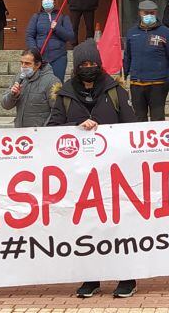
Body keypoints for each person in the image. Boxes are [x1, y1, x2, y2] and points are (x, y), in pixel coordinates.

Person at [46, 39, 136, 298]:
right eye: (83, 64)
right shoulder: (64, 94)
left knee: (118, 225)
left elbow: (131, 128)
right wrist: (76, 127)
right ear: (76, 67)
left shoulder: (115, 92)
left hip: (113, 173)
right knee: (86, 227)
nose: (88, 67)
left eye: (92, 63)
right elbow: (51, 130)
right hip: (80, 176)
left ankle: (126, 277)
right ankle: (91, 278)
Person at [123, 0, 169, 122]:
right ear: (140, 13)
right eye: (145, 12)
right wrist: (123, 74)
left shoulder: (166, 32)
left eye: (152, 13)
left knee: (158, 118)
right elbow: (127, 56)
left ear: (156, 13)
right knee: (138, 118)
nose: (149, 15)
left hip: (158, 84)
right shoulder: (132, 33)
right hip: (136, 84)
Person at [1, 48, 60, 128]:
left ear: (38, 65)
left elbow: (57, 111)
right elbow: (5, 105)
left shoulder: (52, 81)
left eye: (27, 63)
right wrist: (13, 95)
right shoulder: (18, 78)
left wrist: (45, 131)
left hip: (40, 133)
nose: (23, 66)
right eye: (21, 63)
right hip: (21, 132)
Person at [25, 0, 74, 81]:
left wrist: (57, 28)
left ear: (54, 2)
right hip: (40, 57)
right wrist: (35, 51)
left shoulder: (63, 17)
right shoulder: (36, 17)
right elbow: (29, 36)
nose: (47, 0)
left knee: (57, 85)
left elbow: (70, 37)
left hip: (59, 56)